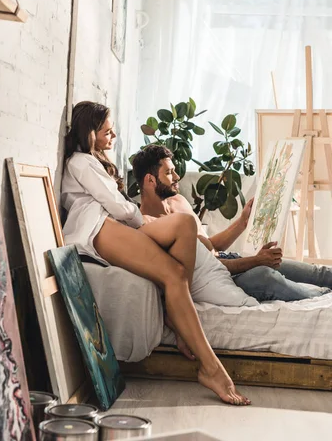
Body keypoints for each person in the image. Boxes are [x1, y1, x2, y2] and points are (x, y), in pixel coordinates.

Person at [61, 101, 251, 405]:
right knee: (173, 272)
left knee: (185, 227)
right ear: (89, 132)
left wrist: (140, 219)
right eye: (107, 131)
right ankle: (212, 368)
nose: (113, 136)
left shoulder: (93, 162)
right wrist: (143, 219)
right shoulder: (80, 162)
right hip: (97, 228)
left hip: (114, 223)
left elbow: (121, 207)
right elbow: (116, 204)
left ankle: (180, 324)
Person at [133, 144, 332, 302]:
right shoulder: (149, 227)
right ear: (150, 180)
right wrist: (256, 260)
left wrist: (242, 222)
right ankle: (322, 297)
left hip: (230, 259)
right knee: (266, 277)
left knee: (317, 271)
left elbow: (210, 246)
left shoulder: (178, 201)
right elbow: (199, 267)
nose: (177, 177)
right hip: (219, 276)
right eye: (169, 173)